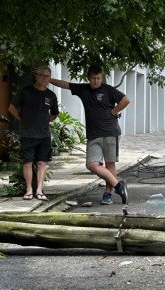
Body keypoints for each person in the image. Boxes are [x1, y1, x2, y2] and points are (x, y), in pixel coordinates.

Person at [50, 67, 130, 205]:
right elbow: (65, 84)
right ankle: (118, 185)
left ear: (102, 78)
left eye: (98, 78)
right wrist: (48, 80)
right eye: (93, 78)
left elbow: (126, 100)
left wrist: (113, 111)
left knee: (109, 164)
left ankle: (108, 194)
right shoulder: (83, 89)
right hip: (93, 135)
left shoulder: (108, 90)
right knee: (91, 165)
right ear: (88, 78)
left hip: (110, 132)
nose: (96, 81)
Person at [8, 66, 59, 201]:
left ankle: (39, 190)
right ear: (36, 76)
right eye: (41, 75)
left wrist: (45, 120)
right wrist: (22, 119)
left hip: (44, 135)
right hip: (27, 134)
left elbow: (54, 114)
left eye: (47, 76)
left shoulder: (51, 95)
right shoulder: (25, 91)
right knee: (27, 163)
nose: (44, 78)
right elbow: (11, 107)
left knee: (42, 163)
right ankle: (29, 190)